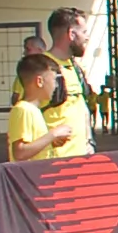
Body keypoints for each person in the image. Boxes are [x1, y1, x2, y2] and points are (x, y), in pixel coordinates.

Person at [42, 8, 94, 157]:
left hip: (80, 157)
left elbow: (81, 107)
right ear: (71, 34)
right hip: (52, 162)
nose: (87, 37)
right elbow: (27, 114)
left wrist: (88, 143)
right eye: (84, 32)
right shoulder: (41, 67)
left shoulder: (75, 67)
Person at [8, 52, 73, 162]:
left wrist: (51, 142)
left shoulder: (34, 110)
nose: (56, 86)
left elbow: (32, 147)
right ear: (39, 81)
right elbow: (20, 153)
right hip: (28, 177)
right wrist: (53, 134)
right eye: (53, 80)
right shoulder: (23, 109)